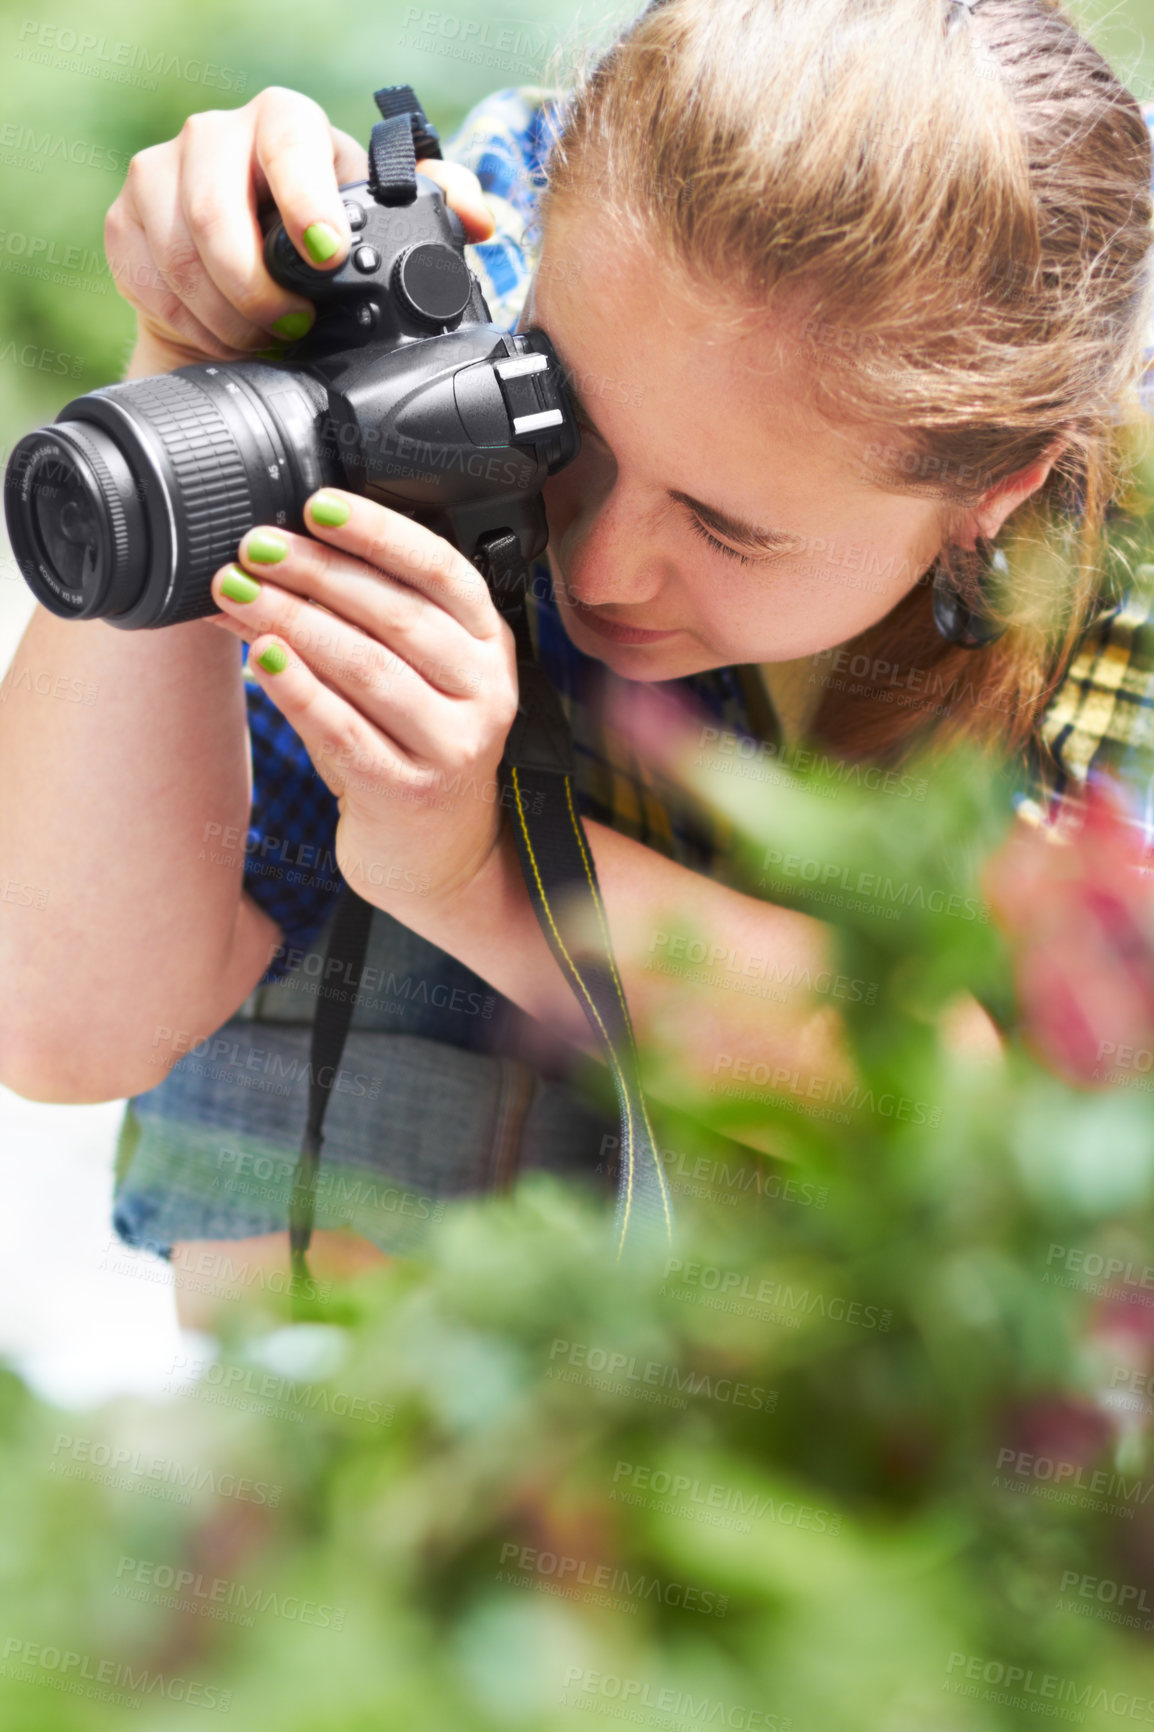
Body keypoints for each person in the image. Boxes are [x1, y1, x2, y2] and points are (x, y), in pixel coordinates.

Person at [2, 0, 1153, 1314]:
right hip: (500, 1205)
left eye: (726, 527)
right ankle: (356, 1452)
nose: (598, 567)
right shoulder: (481, 267)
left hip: (983, 1324)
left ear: (1000, 491)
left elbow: (1029, 1115)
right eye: (567, 430)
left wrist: (484, 870)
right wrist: (197, 366)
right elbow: (65, 1020)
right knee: (364, 836)